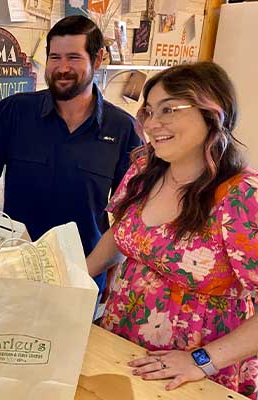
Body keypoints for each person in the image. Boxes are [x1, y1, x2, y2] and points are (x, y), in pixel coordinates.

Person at [86, 62, 258, 399]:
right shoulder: (144, 168)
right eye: (149, 111)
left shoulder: (242, 197)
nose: (152, 124)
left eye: (169, 109)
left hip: (195, 373)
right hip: (121, 342)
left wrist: (201, 362)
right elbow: (120, 236)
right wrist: (68, 281)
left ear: (214, 112)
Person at [0, 16, 142, 294]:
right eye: (55, 57)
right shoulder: (14, 111)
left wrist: (111, 270)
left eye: (74, 57)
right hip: (13, 267)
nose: (62, 68)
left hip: (82, 273)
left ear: (98, 59)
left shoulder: (123, 128)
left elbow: (130, 213)